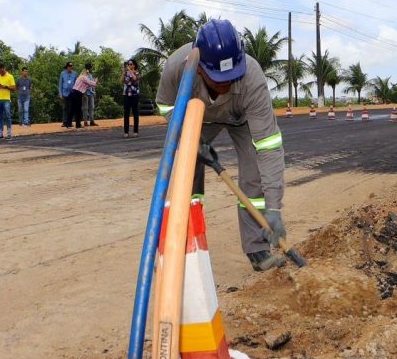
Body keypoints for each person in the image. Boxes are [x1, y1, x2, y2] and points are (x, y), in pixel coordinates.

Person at [156, 19, 288, 272]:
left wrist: (273, 208)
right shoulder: (176, 65)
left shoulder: (253, 76)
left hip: (242, 120)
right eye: (218, 78)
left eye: (232, 76)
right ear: (200, 66)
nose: (225, 83)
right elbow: (166, 106)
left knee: (255, 174)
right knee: (186, 169)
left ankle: (257, 248)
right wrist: (190, 138)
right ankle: (185, 240)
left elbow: (269, 146)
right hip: (199, 118)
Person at [0, 63, 16, 139]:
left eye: (2, 70)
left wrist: (5, 87)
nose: (0, 72)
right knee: (0, 117)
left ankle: (9, 133)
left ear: (4, 68)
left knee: (8, 116)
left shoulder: (10, 76)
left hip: (6, 99)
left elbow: (14, 89)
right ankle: (0, 133)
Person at [70, 65, 97, 130]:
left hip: (90, 93)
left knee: (92, 107)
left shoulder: (89, 75)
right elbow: (91, 83)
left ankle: (91, 121)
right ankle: (84, 121)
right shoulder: (83, 76)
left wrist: (94, 92)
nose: (90, 70)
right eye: (89, 68)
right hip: (84, 93)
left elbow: (91, 85)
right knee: (84, 108)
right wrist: (95, 82)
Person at [122, 59, 141, 138]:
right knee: (126, 113)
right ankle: (126, 132)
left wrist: (130, 70)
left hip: (134, 94)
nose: (129, 65)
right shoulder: (126, 73)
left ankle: (135, 131)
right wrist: (123, 73)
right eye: (128, 64)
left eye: (131, 64)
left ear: (134, 65)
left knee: (135, 112)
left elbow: (135, 79)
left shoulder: (137, 72)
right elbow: (122, 81)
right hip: (126, 94)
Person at [59, 62, 77, 128]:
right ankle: (64, 122)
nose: (70, 68)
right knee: (65, 108)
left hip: (72, 93)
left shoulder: (74, 73)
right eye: (69, 66)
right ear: (66, 67)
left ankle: (70, 122)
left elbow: (76, 83)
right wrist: (60, 93)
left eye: (71, 66)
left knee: (71, 108)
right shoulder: (62, 73)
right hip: (65, 93)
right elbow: (60, 84)